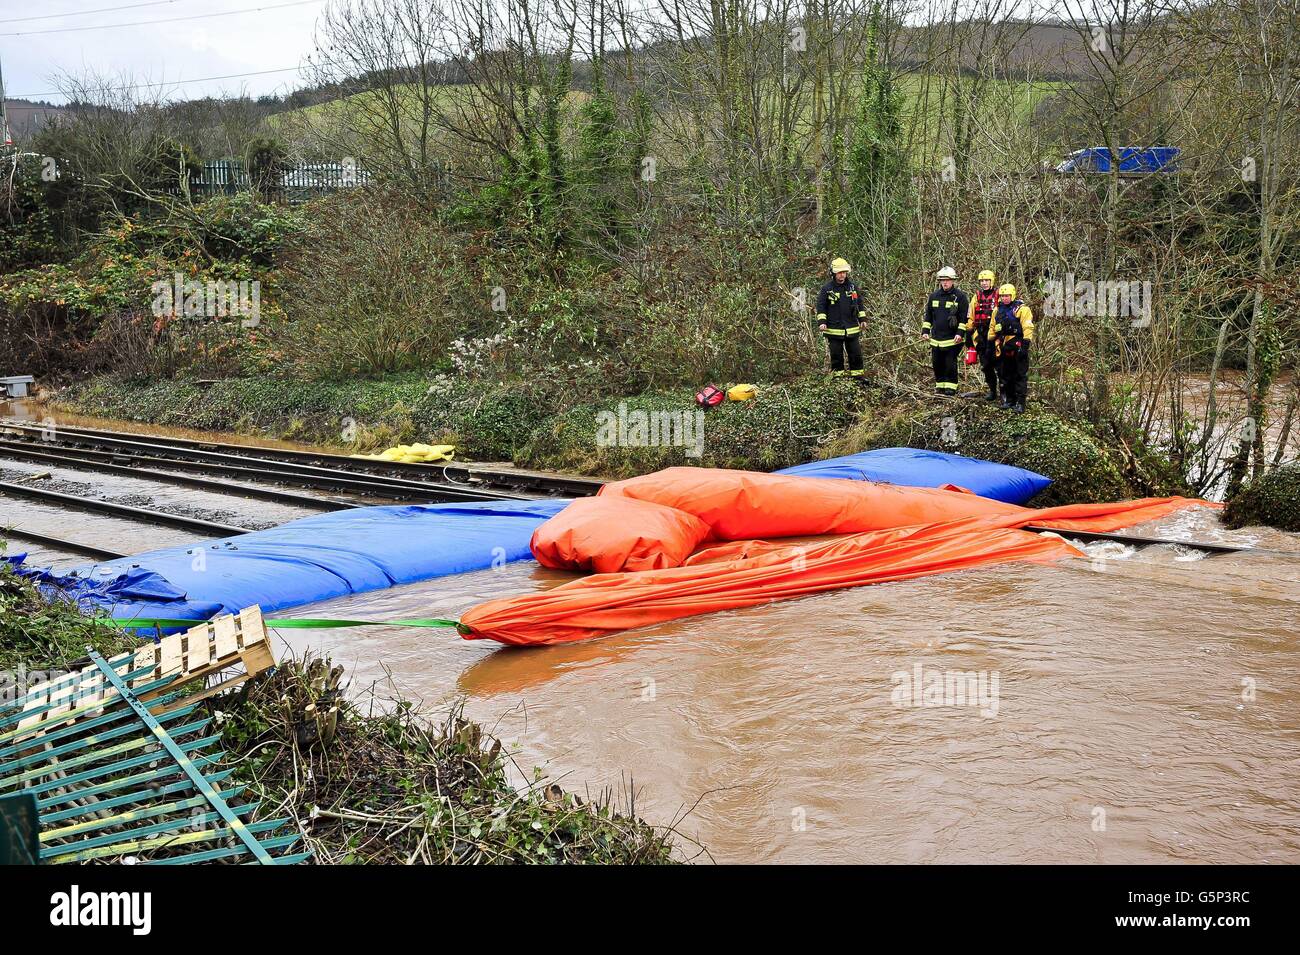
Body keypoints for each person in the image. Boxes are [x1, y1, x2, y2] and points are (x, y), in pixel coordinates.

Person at [816, 257, 867, 380]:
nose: (842, 275)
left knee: (855, 354)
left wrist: (863, 320)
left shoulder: (852, 287)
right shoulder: (827, 289)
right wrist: (822, 322)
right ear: (833, 273)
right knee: (836, 355)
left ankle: (858, 378)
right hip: (834, 329)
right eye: (839, 273)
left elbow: (859, 304)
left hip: (852, 327)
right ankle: (838, 379)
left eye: (844, 273)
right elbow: (821, 306)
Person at [921, 266, 969, 395]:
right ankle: (940, 386)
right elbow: (928, 316)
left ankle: (951, 388)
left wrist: (960, 334)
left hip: (953, 339)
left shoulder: (960, 297)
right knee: (937, 363)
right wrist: (925, 331)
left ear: (953, 281)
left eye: (947, 280)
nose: (945, 283)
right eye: (942, 280)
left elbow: (964, 318)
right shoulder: (934, 296)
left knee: (950, 364)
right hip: (936, 338)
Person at [992, 283, 1034, 412]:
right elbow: (992, 328)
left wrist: (1025, 344)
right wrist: (990, 343)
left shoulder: (1022, 309)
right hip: (1004, 345)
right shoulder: (997, 310)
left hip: (1018, 345)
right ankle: (1010, 400)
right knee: (1006, 374)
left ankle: (1020, 403)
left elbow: (1028, 326)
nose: (1004, 298)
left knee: (1020, 374)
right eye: (1002, 296)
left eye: (1007, 296)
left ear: (1012, 295)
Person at [966, 269, 1000, 401]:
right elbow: (971, 315)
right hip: (980, 334)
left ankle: (1005, 392)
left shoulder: (998, 295)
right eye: (982, 281)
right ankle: (992, 390)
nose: (984, 283)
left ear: (991, 281)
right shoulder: (977, 296)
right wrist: (968, 333)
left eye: (986, 280)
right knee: (986, 365)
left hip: (995, 334)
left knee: (999, 364)